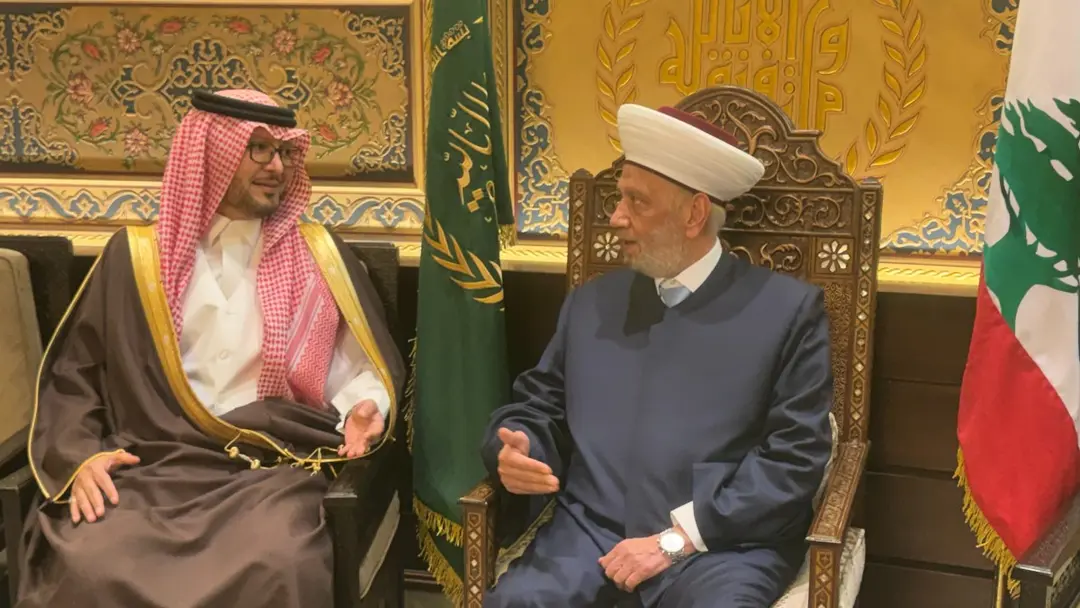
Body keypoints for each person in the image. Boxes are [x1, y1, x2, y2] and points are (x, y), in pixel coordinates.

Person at [18, 89, 405, 608]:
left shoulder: (318, 257)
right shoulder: (136, 258)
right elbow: (75, 376)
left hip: (271, 471)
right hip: (151, 467)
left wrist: (365, 406)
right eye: (258, 149)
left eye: (284, 152)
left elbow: (361, 365)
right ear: (209, 153)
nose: (277, 167)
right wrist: (81, 457)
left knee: (280, 561)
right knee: (88, 560)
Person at [481, 103, 834, 607]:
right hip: (590, 533)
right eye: (619, 197)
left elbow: (794, 459)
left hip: (721, 547)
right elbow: (540, 406)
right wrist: (519, 449)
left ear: (694, 214)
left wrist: (677, 538)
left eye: (637, 202)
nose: (616, 217)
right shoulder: (590, 304)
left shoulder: (788, 311)